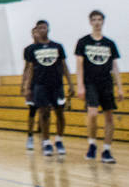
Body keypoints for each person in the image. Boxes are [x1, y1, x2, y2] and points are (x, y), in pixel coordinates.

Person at [75, 10, 123, 163]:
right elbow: (79, 65)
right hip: (90, 83)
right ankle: (92, 145)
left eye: (99, 19)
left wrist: (120, 87)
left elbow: (115, 66)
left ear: (103, 21)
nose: (97, 22)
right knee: (93, 113)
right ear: (90, 22)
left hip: (106, 83)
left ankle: (107, 150)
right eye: (94, 19)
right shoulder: (83, 42)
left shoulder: (110, 43)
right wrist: (80, 85)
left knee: (109, 117)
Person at [21, 20, 73, 157]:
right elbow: (30, 68)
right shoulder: (33, 49)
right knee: (44, 114)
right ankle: (46, 142)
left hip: (57, 85)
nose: (42, 30)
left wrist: (71, 83)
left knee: (60, 113)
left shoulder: (57, 46)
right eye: (39, 28)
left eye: (44, 27)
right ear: (37, 30)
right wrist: (26, 86)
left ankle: (59, 140)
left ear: (48, 29)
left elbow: (64, 65)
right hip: (40, 85)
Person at [23, 25, 41, 150]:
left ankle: (43, 137)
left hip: (44, 83)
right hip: (33, 84)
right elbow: (26, 67)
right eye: (34, 32)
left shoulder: (48, 47)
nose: (36, 34)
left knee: (44, 111)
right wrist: (23, 84)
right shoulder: (29, 49)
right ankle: (30, 136)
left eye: (38, 32)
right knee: (32, 110)